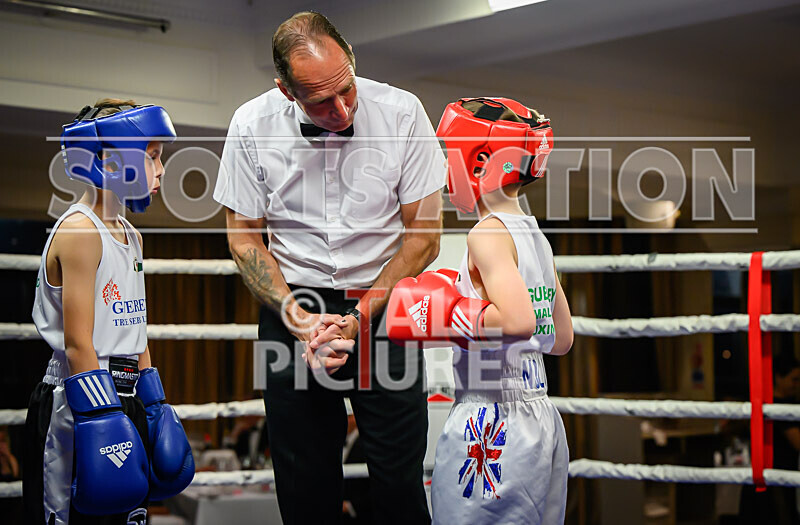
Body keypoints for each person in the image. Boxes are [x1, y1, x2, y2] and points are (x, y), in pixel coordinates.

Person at [214, 11, 445, 525]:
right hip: (292, 305)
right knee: (303, 487)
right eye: (321, 100)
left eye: (347, 90)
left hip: (384, 306)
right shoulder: (251, 124)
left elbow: (425, 236)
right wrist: (301, 321)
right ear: (286, 91)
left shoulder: (402, 113)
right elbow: (244, 235)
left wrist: (359, 318)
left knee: (399, 484)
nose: (341, 110)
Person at [386, 97, 573, 524]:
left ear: (481, 159)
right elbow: (561, 339)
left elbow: (518, 321)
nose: (443, 172)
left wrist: (448, 314)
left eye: (447, 156)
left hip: (490, 418)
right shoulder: (534, 234)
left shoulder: (486, 235)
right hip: (541, 416)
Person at [23, 99, 195, 525]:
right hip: (79, 401)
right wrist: (103, 417)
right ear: (112, 158)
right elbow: (79, 341)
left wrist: (154, 404)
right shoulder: (81, 231)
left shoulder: (131, 234)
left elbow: (135, 328)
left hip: (127, 397)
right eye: (153, 156)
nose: (161, 171)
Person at [739, 351, 800, 525]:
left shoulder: (769, 403)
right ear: (778, 378)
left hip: (776, 477)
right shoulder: (777, 406)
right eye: (793, 379)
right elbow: (798, 443)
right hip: (774, 480)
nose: (796, 385)